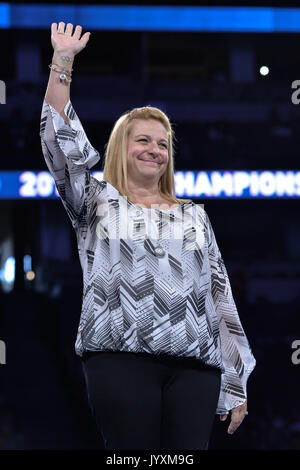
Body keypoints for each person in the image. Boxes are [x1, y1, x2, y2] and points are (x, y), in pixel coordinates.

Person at [40, 22, 256, 450]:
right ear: (123, 146)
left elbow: (220, 296)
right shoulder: (96, 202)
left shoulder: (195, 216)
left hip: (195, 368)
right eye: (143, 140)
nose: (155, 149)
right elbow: (60, 143)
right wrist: (62, 61)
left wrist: (236, 379)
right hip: (119, 361)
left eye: (163, 143)